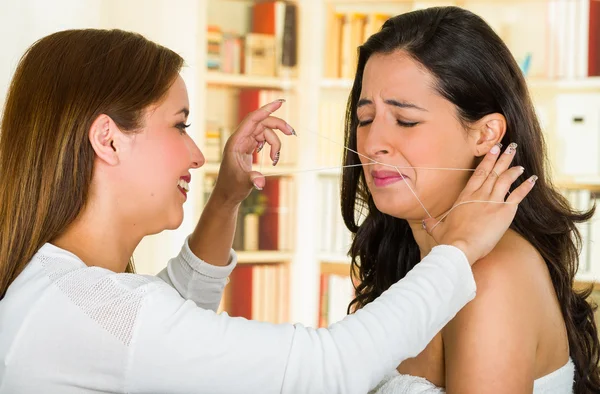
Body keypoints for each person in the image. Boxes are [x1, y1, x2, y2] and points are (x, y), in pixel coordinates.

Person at [0, 29, 532, 394]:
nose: (196, 154)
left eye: (407, 121)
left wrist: (229, 197)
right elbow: (326, 369)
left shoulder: (63, 292)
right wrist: (457, 250)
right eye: (180, 125)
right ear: (108, 141)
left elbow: (168, 310)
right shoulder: (88, 308)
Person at [339, 6, 600, 394]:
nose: (373, 144)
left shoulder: (491, 275)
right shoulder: (406, 260)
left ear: (485, 135)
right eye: (365, 119)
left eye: (406, 120)